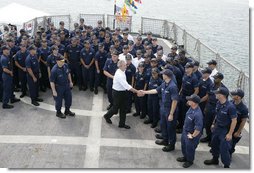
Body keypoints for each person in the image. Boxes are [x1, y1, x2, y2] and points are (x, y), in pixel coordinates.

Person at [140, 69, 178, 152]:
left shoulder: (173, 86)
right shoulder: (164, 84)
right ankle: (165, 140)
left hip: (169, 110)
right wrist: (144, 92)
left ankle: (171, 145)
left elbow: (175, 101)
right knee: (163, 125)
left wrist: (171, 114)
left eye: (163, 74)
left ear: (167, 76)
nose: (162, 75)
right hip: (163, 108)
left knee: (170, 128)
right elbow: (156, 90)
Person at [204, 87, 237, 168]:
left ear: (222, 95)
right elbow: (217, 114)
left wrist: (230, 134)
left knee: (224, 149)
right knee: (214, 145)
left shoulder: (230, 107)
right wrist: (213, 123)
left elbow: (234, 121)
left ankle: (226, 165)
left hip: (225, 130)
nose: (215, 94)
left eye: (217, 93)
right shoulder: (218, 102)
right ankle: (215, 159)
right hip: (217, 128)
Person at [103, 60, 140, 129]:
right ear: (120, 66)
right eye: (125, 65)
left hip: (122, 92)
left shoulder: (122, 71)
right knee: (115, 108)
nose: (126, 66)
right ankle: (107, 116)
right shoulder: (119, 74)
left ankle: (122, 124)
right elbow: (126, 86)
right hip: (117, 93)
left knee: (123, 108)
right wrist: (136, 91)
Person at [176, 94, 203, 168]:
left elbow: (198, 128)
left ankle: (189, 161)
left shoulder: (198, 114)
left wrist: (193, 136)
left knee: (190, 148)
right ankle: (185, 157)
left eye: (189, 100)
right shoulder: (191, 108)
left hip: (191, 134)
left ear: (194, 102)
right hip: (185, 131)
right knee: (184, 146)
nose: (188, 101)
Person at [200, 72, 227, 145]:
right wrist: (201, 102)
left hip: (217, 107)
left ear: (221, 79)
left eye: (216, 78)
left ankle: (213, 140)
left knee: (215, 124)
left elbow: (224, 101)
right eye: (214, 78)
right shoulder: (211, 85)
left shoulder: (223, 89)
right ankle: (208, 137)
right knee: (207, 123)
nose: (215, 79)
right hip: (209, 106)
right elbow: (208, 96)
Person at [177, 62, 199, 133]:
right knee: (180, 111)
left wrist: (191, 100)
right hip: (182, 95)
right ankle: (180, 124)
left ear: (192, 68)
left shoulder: (194, 78)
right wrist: (179, 93)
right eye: (186, 68)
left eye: (188, 68)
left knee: (185, 113)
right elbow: (182, 85)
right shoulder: (185, 75)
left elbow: (196, 90)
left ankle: (183, 127)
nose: (186, 69)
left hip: (188, 97)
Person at [230, 89, 249, 156]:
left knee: (232, 144)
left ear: (238, 97)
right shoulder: (231, 102)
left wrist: (238, 132)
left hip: (236, 128)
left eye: (234, 94)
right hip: (228, 126)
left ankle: (229, 154)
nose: (232, 95)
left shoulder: (244, 108)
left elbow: (243, 121)